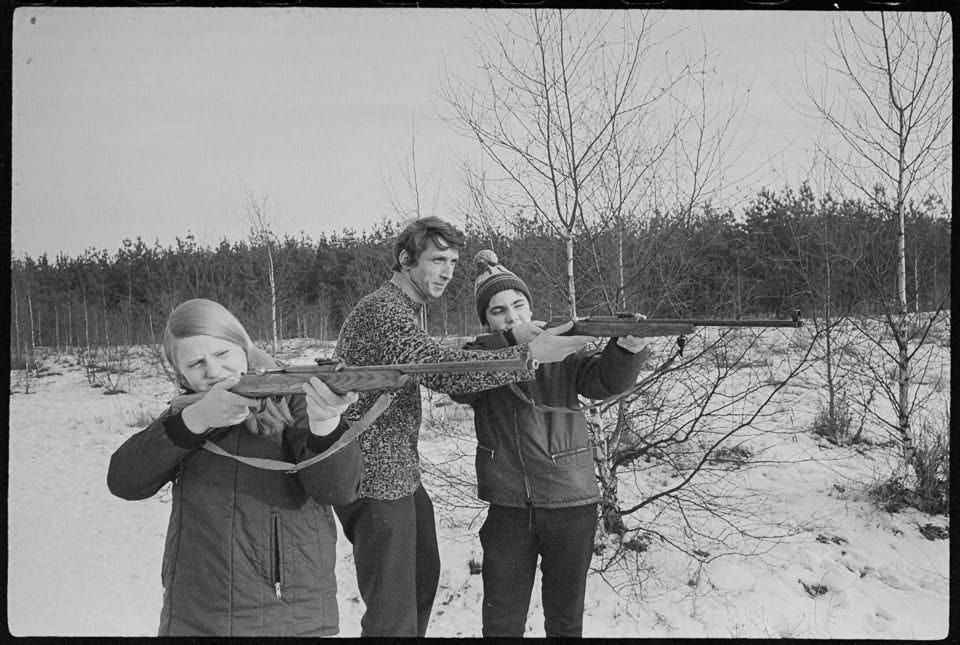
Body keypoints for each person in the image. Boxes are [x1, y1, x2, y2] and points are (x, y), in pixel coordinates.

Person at [333, 217, 592, 637]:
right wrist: (525, 353)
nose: (448, 271)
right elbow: (442, 370)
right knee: (392, 615)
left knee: (419, 586)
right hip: (372, 475)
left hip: (400, 474)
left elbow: (435, 354)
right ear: (405, 259)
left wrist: (513, 339)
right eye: (437, 259)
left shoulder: (405, 310)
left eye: (453, 260)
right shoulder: (384, 309)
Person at [107, 298, 362, 637]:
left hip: (289, 616)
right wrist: (194, 422)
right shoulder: (186, 414)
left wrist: (325, 422)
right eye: (196, 363)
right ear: (180, 373)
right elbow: (124, 481)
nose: (213, 371)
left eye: (222, 354)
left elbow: (337, 489)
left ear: (243, 345)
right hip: (194, 614)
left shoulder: (295, 397)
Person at [450, 250, 652, 638]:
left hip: (571, 504)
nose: (512, 316)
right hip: (508, 508)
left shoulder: (561, 348)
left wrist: (627, 349)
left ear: (531, 306)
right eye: (498, 312)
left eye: (518, 305)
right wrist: (514, 346)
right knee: (501, 623)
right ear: (486, 321)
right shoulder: (478, 357)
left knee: (564, 621)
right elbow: (461, 380)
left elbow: (605, 382)